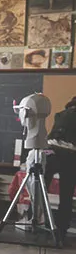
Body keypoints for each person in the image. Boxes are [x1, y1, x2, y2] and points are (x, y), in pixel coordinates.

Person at [43, 96, 76, 246]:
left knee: (42, 188)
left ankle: (39, 221)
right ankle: (62, 231)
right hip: (70, 156)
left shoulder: (60, 114)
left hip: (51, 152)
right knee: (66, 195)